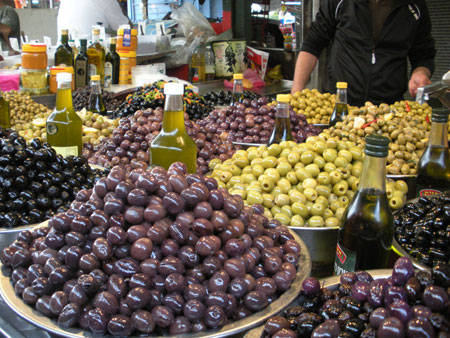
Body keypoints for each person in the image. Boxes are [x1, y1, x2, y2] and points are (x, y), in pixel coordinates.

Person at [291, 0, 436, 106]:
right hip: (338, 105)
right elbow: (312, 45)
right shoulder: (339, 2)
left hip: (388, 110)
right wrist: (295, 96)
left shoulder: (415, 6)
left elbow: (423, 55)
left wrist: (420, 73)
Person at [57, 0, 131, 41]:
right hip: (94, 58)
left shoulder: (65, 2)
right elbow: (127, 30)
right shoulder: (105, 1)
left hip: (65, 60)